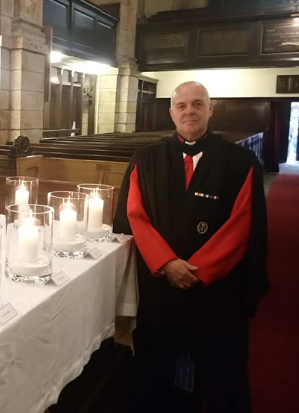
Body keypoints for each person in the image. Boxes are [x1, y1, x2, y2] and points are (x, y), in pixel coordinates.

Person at [114, 81, 269, 413]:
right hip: (160, 285)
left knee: (218, 378)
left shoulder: (242, 162)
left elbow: (242, 225)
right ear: (171, 112)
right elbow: (135, 215)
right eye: (182, 105)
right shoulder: (147, 157)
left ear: (210, 109)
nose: (190, 111)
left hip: (215, 289)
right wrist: (167, 263)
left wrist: (201, 270)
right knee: (154, 373)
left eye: (198, 104)